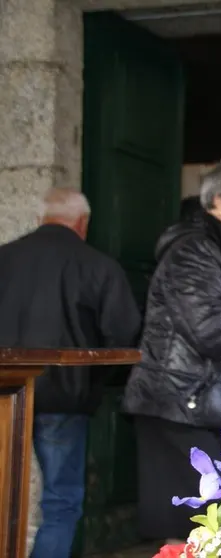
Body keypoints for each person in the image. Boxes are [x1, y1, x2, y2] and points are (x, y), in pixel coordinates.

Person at [122, 158, 221, 543]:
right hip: (181, 409)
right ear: (220, 202)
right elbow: (209, 329)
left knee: (214, 531)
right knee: (193, 531)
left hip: (202, 408)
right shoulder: (194, 250)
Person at [0, 188, 141, 558]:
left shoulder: (5, 258)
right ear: (83, 223)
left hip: (3, 392)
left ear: (40, 219)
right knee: (61, 501)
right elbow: (123, 336)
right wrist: (94, 385)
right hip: (64, 398)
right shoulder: (98, 265)